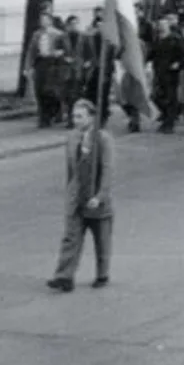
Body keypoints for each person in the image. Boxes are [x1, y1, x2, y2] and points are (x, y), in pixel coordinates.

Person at [46, 99, 114, 293]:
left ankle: (102, 274)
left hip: (95, 199)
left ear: (91, 117)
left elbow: (108, 170)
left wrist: (100, 196)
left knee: (101, 239)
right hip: (76, 196)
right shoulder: (72, 138)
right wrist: (69, 191)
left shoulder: (103, 139)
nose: (75, 120)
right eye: (73, 116)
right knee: (70, 237)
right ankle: (64, 277)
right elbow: (71, 169)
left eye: (80, 116)